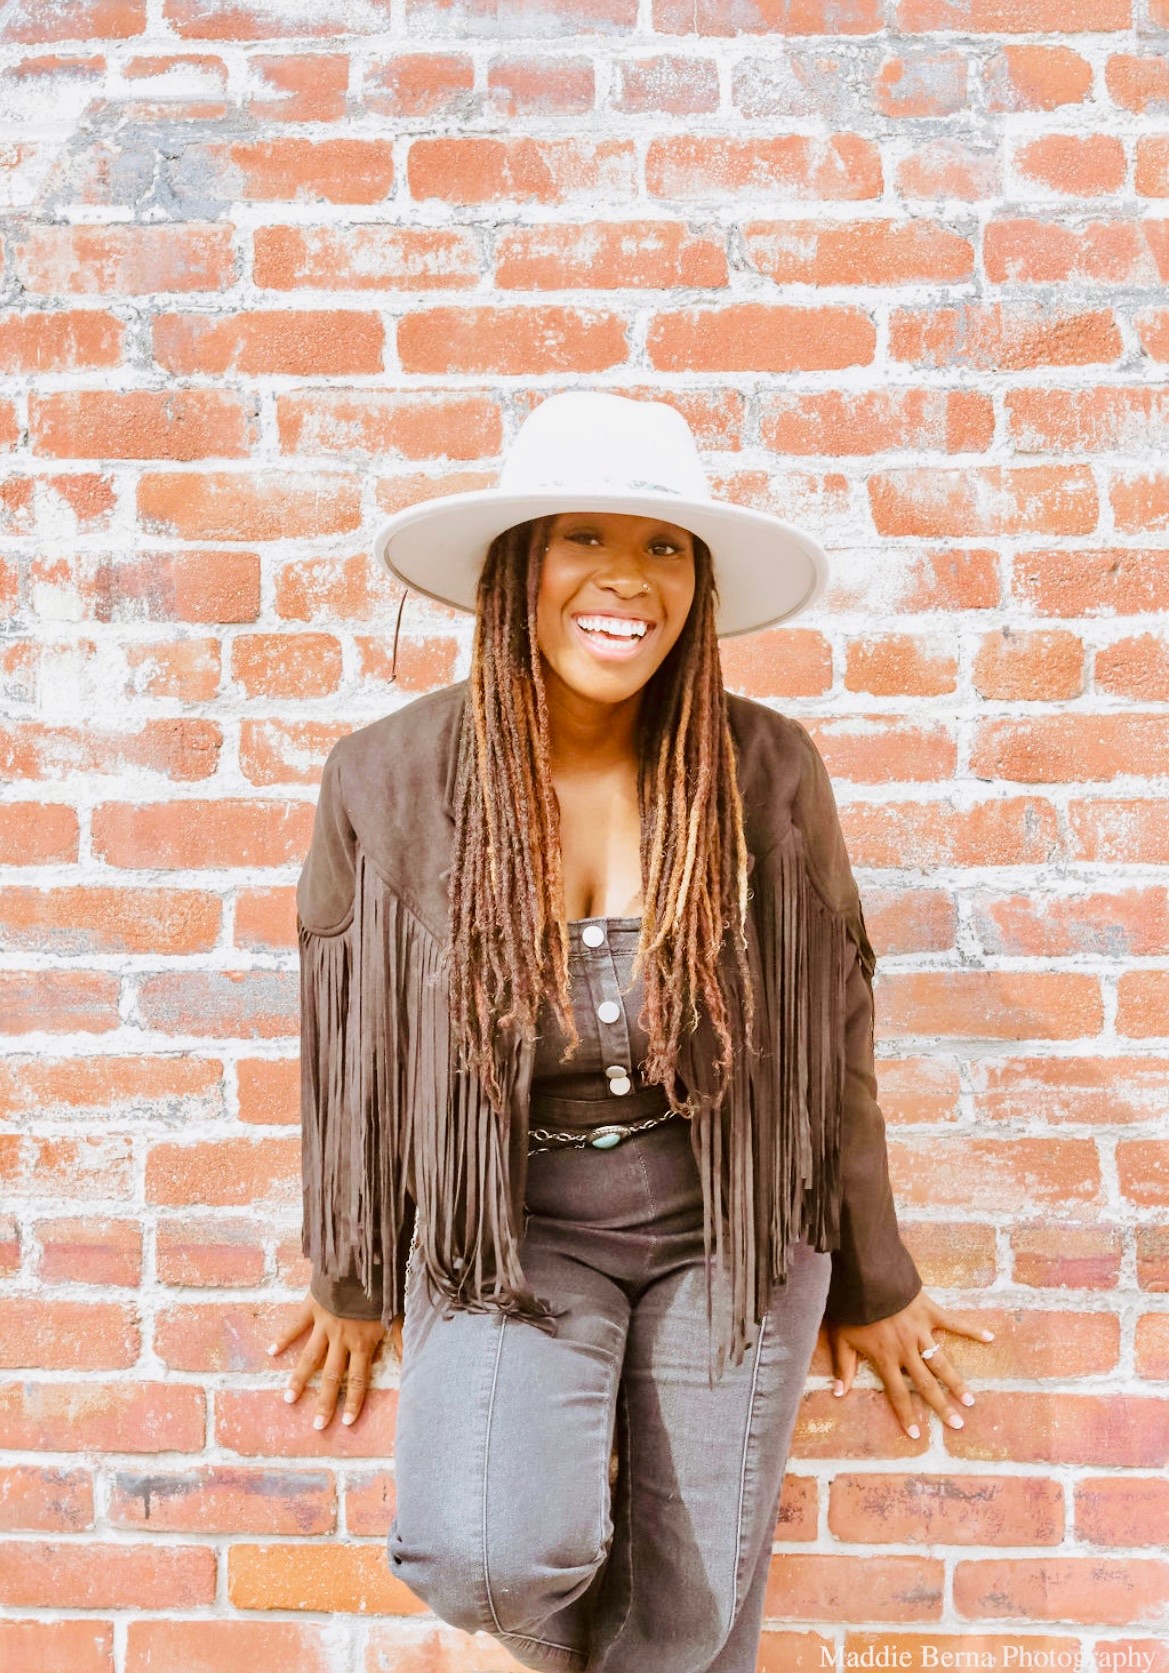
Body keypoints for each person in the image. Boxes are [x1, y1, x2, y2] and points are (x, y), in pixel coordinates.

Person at [270, 392, 994, 1672]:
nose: (625, 577)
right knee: (481, 1552)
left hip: (730, 1213)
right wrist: (351, 1272)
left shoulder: (765, 767)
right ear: (516, 566)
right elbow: (352, 1051)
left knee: (693, 1612)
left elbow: (832, 1040)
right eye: (584, 538)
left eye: (663, 546)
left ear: (698, 585)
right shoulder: (384, 777)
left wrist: (874, 1275)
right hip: (511, 1220)